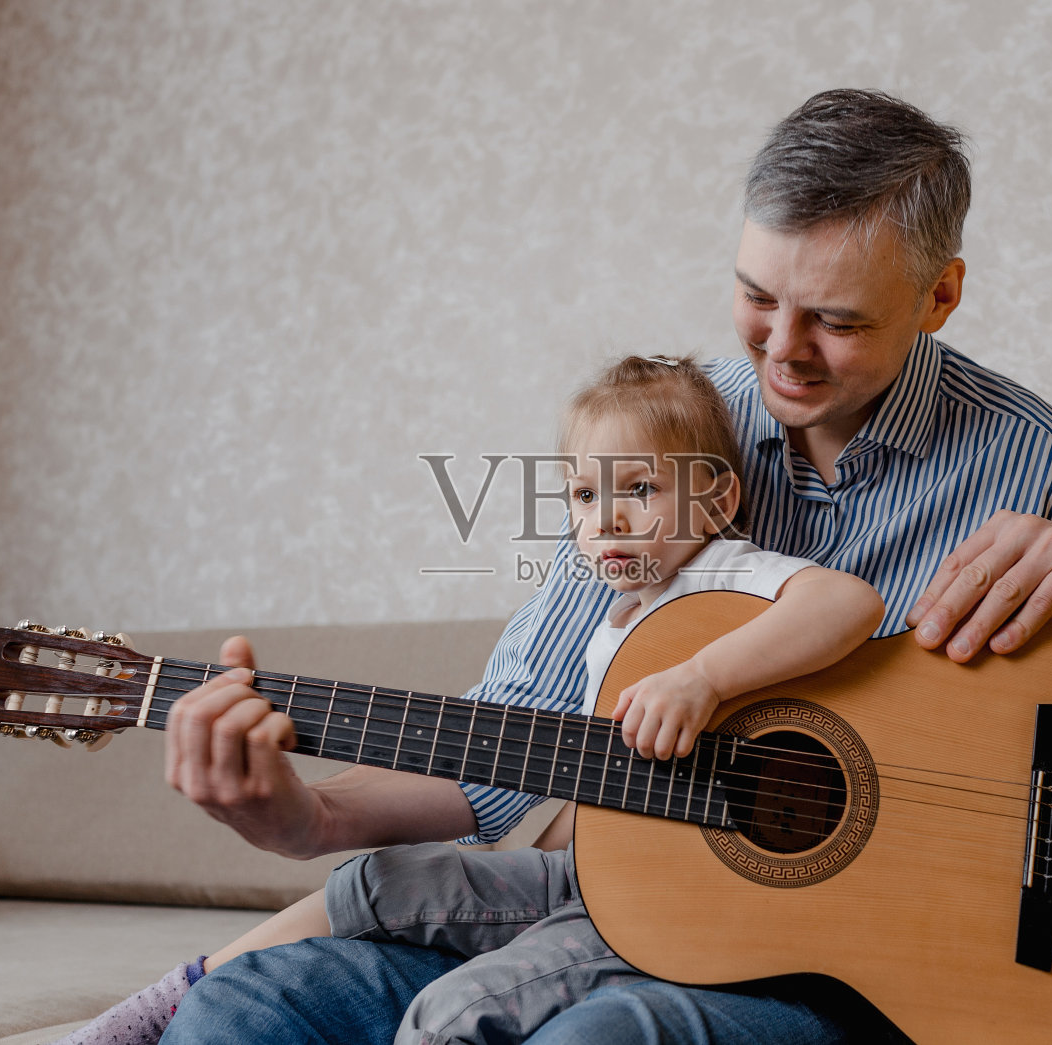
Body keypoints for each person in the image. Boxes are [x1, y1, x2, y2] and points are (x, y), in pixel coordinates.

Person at [157, 88, 1052, 1045]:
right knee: (254, 1007)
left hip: (870, 964)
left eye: (839, 319)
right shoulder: (664, 436)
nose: (784, 350)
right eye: (756, 296)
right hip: (615, 919)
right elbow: (515, 740)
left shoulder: (1041, 460)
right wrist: (309, 817)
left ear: (938, 295)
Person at [54, 356, 883, 1045]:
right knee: (384, 879)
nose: (607, 522)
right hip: (589, 871)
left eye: (638, 489)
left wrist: (702, 678)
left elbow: (846, 604)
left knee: (454, 1016)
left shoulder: (729, 574)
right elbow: (520, 761)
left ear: (718, 502)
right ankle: (189, 988)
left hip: (666, 905)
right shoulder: (615, 617)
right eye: (586, 499)